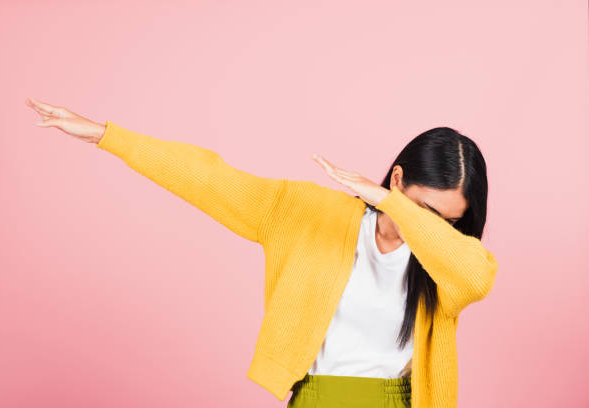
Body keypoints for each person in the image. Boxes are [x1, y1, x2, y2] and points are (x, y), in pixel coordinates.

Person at [26, 97, 498, 407]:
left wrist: (400, 210)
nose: (430, 229)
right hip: (318, 397)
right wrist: (109, 136)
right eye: (421, 209)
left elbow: (477, 277)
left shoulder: (449, 263)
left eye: (447, 222)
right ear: (397, 178)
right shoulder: (311, 214)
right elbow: (213, 180)